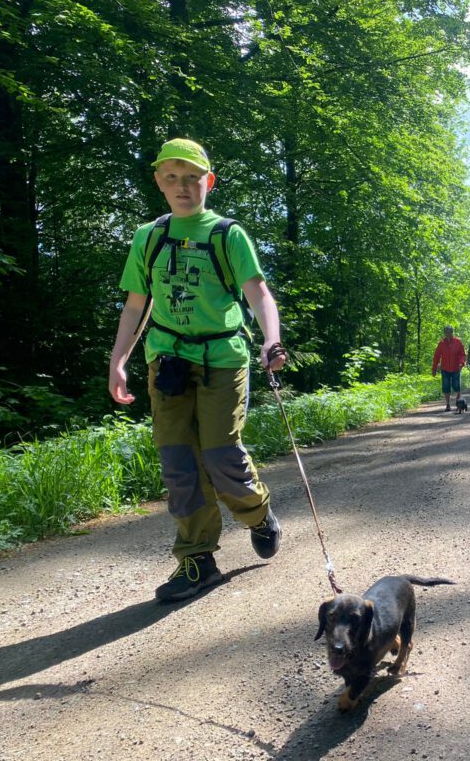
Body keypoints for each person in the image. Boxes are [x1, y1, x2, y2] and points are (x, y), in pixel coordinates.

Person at [109, 138, 287, 603]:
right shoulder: (149, 237)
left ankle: (257, 514)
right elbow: (135, 305)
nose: (182, 186)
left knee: (220, 455)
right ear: (159, 183)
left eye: (192, 177)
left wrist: (272, 340)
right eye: (172, 177)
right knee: (178, 462)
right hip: (166, 361)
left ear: (208, 181)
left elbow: (258, 294)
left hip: (222, 359)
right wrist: (119, 360)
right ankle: (197, 560)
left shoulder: (227, 234)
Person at [432, 325, 466, 411]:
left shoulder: (458, 342)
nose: (448, 334)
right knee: (446, 387)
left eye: (449, 332)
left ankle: (458, 403)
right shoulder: (441, 343)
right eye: (446, 332)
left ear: (452, 332)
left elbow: (462, 354)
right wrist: (434, 368)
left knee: (456, 386)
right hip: (445, 368)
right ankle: (448, 405)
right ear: (444, 333)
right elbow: (436, 356)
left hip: (456, 368)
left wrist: (461, 363)